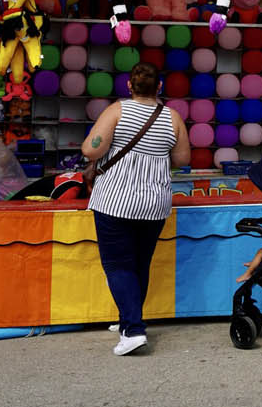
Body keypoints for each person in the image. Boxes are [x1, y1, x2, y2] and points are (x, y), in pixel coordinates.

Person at [81, 62, 188, 356]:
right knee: (139, 264)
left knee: (118, 265)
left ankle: (133, 330)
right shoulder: (173, 118)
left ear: (129, 86)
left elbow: (91, 149)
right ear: (160, 88)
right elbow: (182, 158)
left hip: (115, 200)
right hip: (154, 204)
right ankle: (129, 318)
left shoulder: (117, 111)